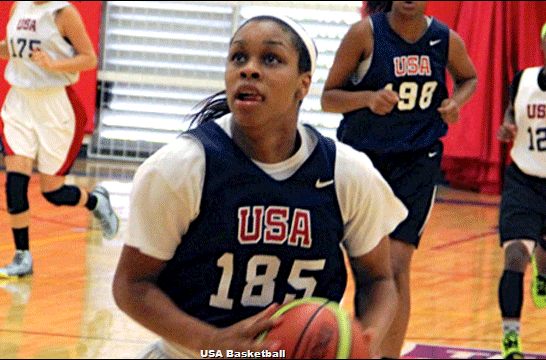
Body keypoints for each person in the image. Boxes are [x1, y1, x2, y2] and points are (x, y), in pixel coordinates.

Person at [112, 14, 408, 359]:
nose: (249, 70)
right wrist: (212, 341)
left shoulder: (347, 173)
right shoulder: (182, 167)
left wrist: (364, 340)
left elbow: (378, 281)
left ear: (303, 83)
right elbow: (132, 286)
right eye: (239, 57)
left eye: (270, 59)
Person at [320, 1, 478, 357]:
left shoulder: (444, 39)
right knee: (362, 264)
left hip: (417, 160)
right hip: (363, 160)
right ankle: (353, 344)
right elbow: (328, 98)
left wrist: (457, 102)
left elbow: (469, 77)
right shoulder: (366, 33)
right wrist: (367, 99)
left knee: (395, 264)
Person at [0, 1, 119, 279]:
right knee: (14, 183)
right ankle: (22, 257)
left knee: (52, 192)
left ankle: (96, 202)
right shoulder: (18, 7)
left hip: (55, 106)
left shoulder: (63, 13)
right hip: (19, 102)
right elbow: (14, 49)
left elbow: (89, 58)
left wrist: (53, 64)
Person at [496, 15, 546, 359]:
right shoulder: (524, 79)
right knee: (515, 256)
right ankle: (511, 340)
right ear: (542, 42)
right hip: (523, 180)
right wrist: (507, 126)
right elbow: (511, 111)